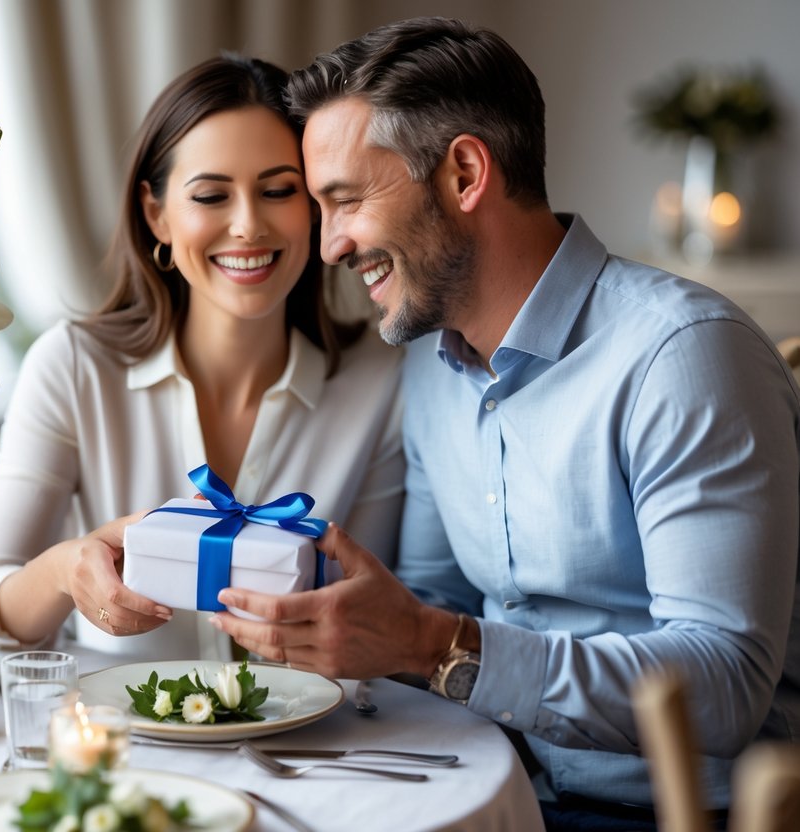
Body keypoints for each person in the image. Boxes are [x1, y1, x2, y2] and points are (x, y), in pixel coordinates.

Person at [208, 16, 800, 830]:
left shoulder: (682, 357)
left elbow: (723, 684)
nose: (331, 244)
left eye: (345, 200)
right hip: (497, 788)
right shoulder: (430, 367)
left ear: (462, 173)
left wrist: (431, 643)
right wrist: (317, 612)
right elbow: (434, 601)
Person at [0, 54, 404, 661]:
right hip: (119, 747)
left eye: (278, 191)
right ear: (156, 213)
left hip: (309, 746)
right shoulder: (75, 367)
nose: (247, 225)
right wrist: (63, 570)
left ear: (316, 206)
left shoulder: (380, 377)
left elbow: (374, 623)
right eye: (211, 195)